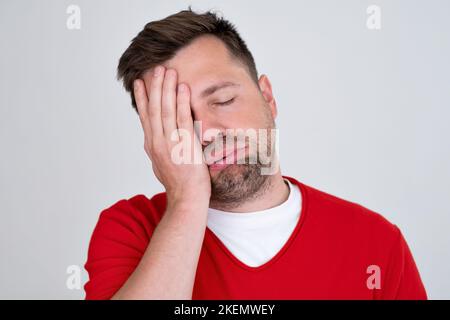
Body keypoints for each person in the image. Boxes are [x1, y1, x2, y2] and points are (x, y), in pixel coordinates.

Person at [84, 8, 427, 300]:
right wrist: (187, 200)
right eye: (179, 120)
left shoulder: (376, 244)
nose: (208, 131)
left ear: (268, 96)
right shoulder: (131, 229)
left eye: (223, 101)